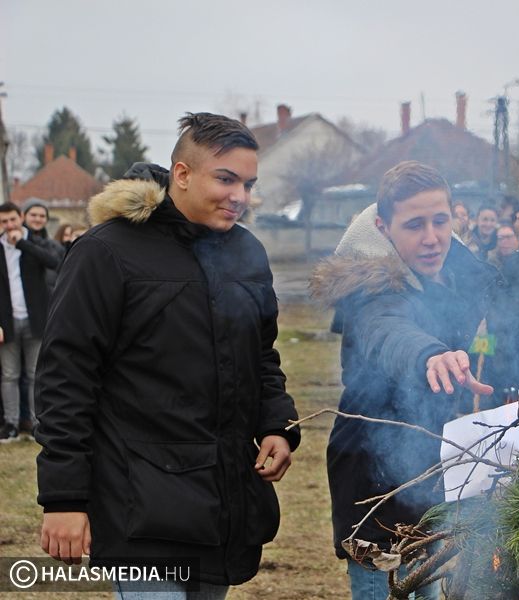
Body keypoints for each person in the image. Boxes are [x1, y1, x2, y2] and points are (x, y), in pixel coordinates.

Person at [35, 113, 300, 598]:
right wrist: (64, 497)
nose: (239, 196)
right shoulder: (107, 251)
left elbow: (262, 356)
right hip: (139, 506)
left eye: (248, 184)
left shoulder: (247, 254)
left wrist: (276, 426)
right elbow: (66, 377)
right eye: (225, 179)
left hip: (223, 505)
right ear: (182, 174)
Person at [312, 161, 516, 600]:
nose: (431, 237)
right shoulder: (370, 287)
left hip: (430, 467)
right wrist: (430, 355)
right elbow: (387, 329)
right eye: (414, 225)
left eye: (440, 221)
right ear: (383, 228)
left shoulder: (462, 275)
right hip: (371, 475)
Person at [0, 203, 61, 442]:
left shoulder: (35, 243)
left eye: (12, 220)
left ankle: (37, 423)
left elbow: (53, 262)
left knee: (36, 374)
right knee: (9, 375)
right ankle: (11, 423)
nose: (9, 225)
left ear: (21, 217)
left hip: (35, 319)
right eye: (3, 221)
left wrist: (22, 244)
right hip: (8, 321)